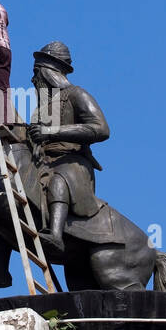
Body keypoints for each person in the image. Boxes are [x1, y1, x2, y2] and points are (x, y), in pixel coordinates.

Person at [26, 41, 111, 252]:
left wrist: (51, 132)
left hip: (73, 163)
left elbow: (101, 129)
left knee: (59, 179)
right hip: (44, 162)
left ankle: (55, 235)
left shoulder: (76, 95)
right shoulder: (42, 108)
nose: (33, 80)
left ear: (49, 73)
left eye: (36, 73)